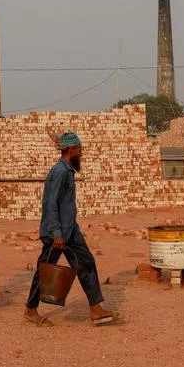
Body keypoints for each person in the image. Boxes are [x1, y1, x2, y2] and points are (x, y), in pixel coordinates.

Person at [23, 131, 121, 326]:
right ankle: (30, 309)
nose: (81, 153)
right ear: (71, 150)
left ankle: (95, 308)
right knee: (44, 270)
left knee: (86, 262)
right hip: (57, 232)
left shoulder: (67, 170)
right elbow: (50, 204)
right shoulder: (59, 172)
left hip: (71, 230)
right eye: (79, 149)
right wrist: (57, 233)